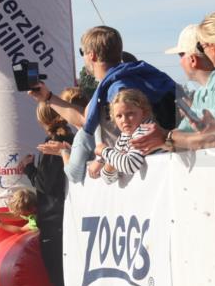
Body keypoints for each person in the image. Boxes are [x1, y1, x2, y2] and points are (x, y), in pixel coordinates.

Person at [28, 25, 175, 182]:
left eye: (82, 53)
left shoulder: (116, 89)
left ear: (91, 55)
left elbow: (89, 122)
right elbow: (84, 119)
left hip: (145, 178)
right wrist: (48, 97)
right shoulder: (121, 80)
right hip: (156, 171)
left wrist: (104, 155)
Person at [23, 86, 85, 286]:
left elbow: (46, 186)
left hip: (53, 219)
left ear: (44, 119)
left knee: (59, 278)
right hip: (67, 218)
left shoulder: (54, 145)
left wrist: (28, 168)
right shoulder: (72, 139)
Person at [133, 21, 215, 153]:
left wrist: (165, 138)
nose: (179, 62)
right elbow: (184, 134)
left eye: (180, 55)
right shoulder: (202, 92)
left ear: (193, 60)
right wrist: (165, 138)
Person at [96, 89, 155, 183]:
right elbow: (108, 179)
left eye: (130, 114)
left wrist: (104, 151)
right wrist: (113, 162)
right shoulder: (124, 136)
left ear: (144, 113)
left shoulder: (146, 131)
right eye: (119, 116)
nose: (124, 120)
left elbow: (130, 165)